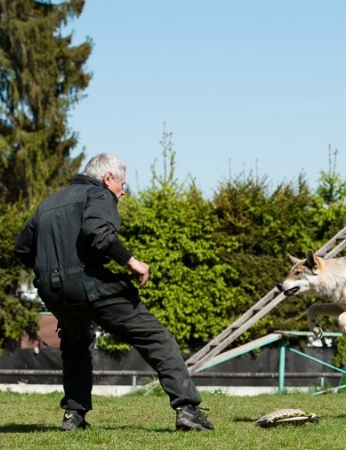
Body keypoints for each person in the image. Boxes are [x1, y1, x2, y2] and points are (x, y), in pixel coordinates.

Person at [14, 153, 214, 431]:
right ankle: (187, 409)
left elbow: (22, 248)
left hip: (53, 292)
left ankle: (74, 415)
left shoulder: (49, 203)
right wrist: (132, 262)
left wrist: (51, 272)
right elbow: (97, 232)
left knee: (76, 343)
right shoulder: (98, 195)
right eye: (123, 185)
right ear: (108, 178)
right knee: (156, 337)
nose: (123, 192)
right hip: (89, 285)